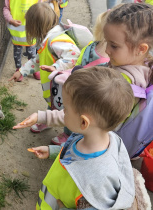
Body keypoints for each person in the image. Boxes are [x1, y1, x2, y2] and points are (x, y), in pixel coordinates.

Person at [13, 3, 153, 159]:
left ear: (141, 49)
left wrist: (44, 118)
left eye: (114, 45)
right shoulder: (138, 66)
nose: (107, 50)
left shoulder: (118, 84)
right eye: (107, 43)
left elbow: (84, 119)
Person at [16, 66, 136, 209]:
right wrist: (53, 151)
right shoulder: (95, 137)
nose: (62, 112)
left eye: (65, 109)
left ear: (84, 122)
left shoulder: (97, 180)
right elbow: (74, 155)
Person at [9, 2, 80, 134]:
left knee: (68, 110)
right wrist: (21, 71)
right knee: (53, 104)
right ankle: (47, 120)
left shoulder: (56, 40)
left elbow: (74, 55)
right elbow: (38, 59)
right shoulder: (46, 40)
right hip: (54, 85)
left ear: (35, 27)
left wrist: (56, 67)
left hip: (64, 85)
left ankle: (68, 134)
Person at [51, 10, 110, 145]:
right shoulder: (92, 45)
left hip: (89, 94)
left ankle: (75, 138)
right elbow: (78, 64)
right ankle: (67, 133)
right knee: (70, 110)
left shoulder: (109, 59)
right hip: (75, 86)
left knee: (81, 115)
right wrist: (64, 73)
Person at [3, 0, 38, 82]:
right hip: (17, 31)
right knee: (17, 52)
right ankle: (19, 69)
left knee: (32, 52)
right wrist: (10, 20)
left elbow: (40, 7)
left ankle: (33, 68)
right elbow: (6, 8)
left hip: (31, 30)